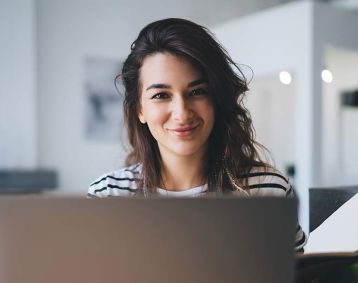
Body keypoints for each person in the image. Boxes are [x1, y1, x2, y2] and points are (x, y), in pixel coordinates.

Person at [87, 18, 306, 250]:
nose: (182, 113)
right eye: (161, 95)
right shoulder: (108, 195)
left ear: (217, 99)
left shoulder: (266, 190)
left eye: (198, 91)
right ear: (139, 109)